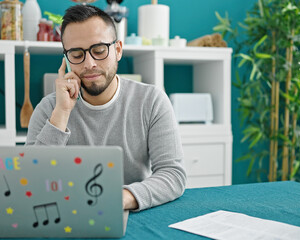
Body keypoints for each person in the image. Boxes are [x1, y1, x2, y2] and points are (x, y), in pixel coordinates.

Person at [25, 4, 186, 211]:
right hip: (65, 216)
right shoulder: (49, 109)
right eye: (76, 54)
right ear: (65, 59)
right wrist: (62, 113)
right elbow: (29, 182)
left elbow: (173, 174)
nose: (89, 63)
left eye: (99, 50)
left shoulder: (152, 101)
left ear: (118, 50)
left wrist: (121, 198)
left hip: (132, 214)